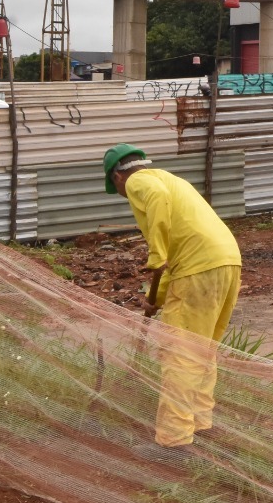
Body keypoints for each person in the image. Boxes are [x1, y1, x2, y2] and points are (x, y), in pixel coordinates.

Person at [104, 143, 243, 450]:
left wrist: (156, 254)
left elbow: (156, 202)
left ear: (117, 177)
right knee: (201, 351)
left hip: (197, 269)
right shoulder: (172, 179)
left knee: (180, 356)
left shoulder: (138, 180)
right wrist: (156, 298)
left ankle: (174, 440)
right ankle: (199, 423)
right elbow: (182, 252)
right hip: (226, 262)